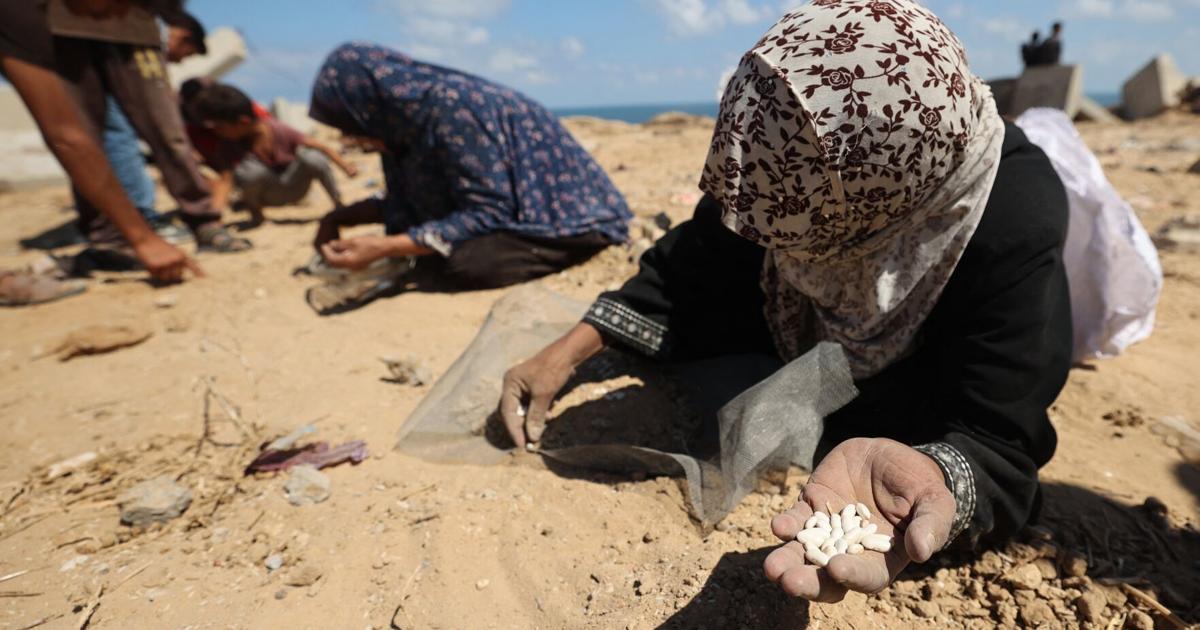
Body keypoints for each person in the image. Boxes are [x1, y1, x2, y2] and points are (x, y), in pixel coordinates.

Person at [499, 0, 1071, 604]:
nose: (771, 239)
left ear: (871, 210)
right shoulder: (772, 160)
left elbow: (999, 435)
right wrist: (571, 348)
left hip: (915, 390)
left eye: (806, 235)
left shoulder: (1010, 222)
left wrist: (936, 475)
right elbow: (694, 259)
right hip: (793, 324)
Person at [306, 42, 632, 291]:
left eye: (348, 124)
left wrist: (386, 246)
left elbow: (489, 210)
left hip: (569, 220)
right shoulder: (397, 127)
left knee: (464, 264)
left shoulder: (452, 108)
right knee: (421, 245)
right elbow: (407, 201)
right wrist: (337, 218)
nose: (349, 137)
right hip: (507, 211)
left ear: (366, 104)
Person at [0, 0, 204, 301]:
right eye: (124, 5)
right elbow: (66, 136)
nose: (117, 17)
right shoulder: (17, 9)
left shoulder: (29, 19)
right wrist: (143, 239)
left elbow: (65, 130)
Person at [101, 9, 209, 245]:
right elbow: (158, 112)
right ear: (182, 36)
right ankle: (143, 218)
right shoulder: (143, 33)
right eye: (187, 54)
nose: (180, 60)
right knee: (120, 136)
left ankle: (112, 222)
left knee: (107, 134)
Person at [190, 83, 355, 224]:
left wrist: (346, 167)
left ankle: (339, 205)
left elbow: (321, 146)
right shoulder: (228, 145)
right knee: (249, 172)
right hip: (268, 195)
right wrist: (215, 216)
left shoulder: (277, 128)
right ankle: (257, 216)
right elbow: (226, 181)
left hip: (295, 185)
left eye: (220, 127)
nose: (218, 132)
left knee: (311, 156)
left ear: (242, 122)